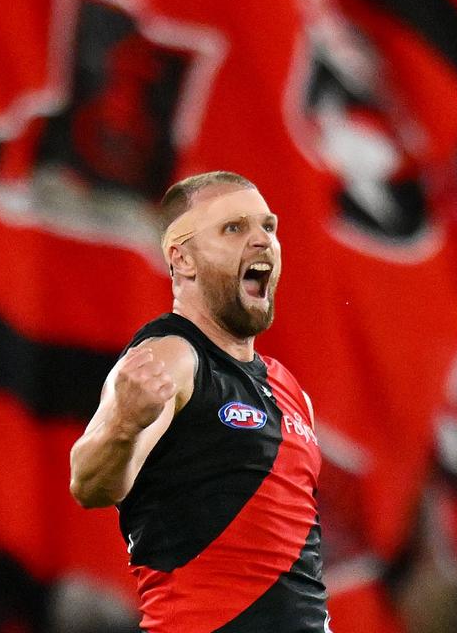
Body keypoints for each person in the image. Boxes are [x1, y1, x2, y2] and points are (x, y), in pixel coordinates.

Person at [69, 171, 329, 632]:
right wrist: (124, 426)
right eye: (234, 228)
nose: (262, 241)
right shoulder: (170, 357)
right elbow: (88, 482)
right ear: (182, 259)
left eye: (268, 227)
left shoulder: (292, 392)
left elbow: (296, 576)